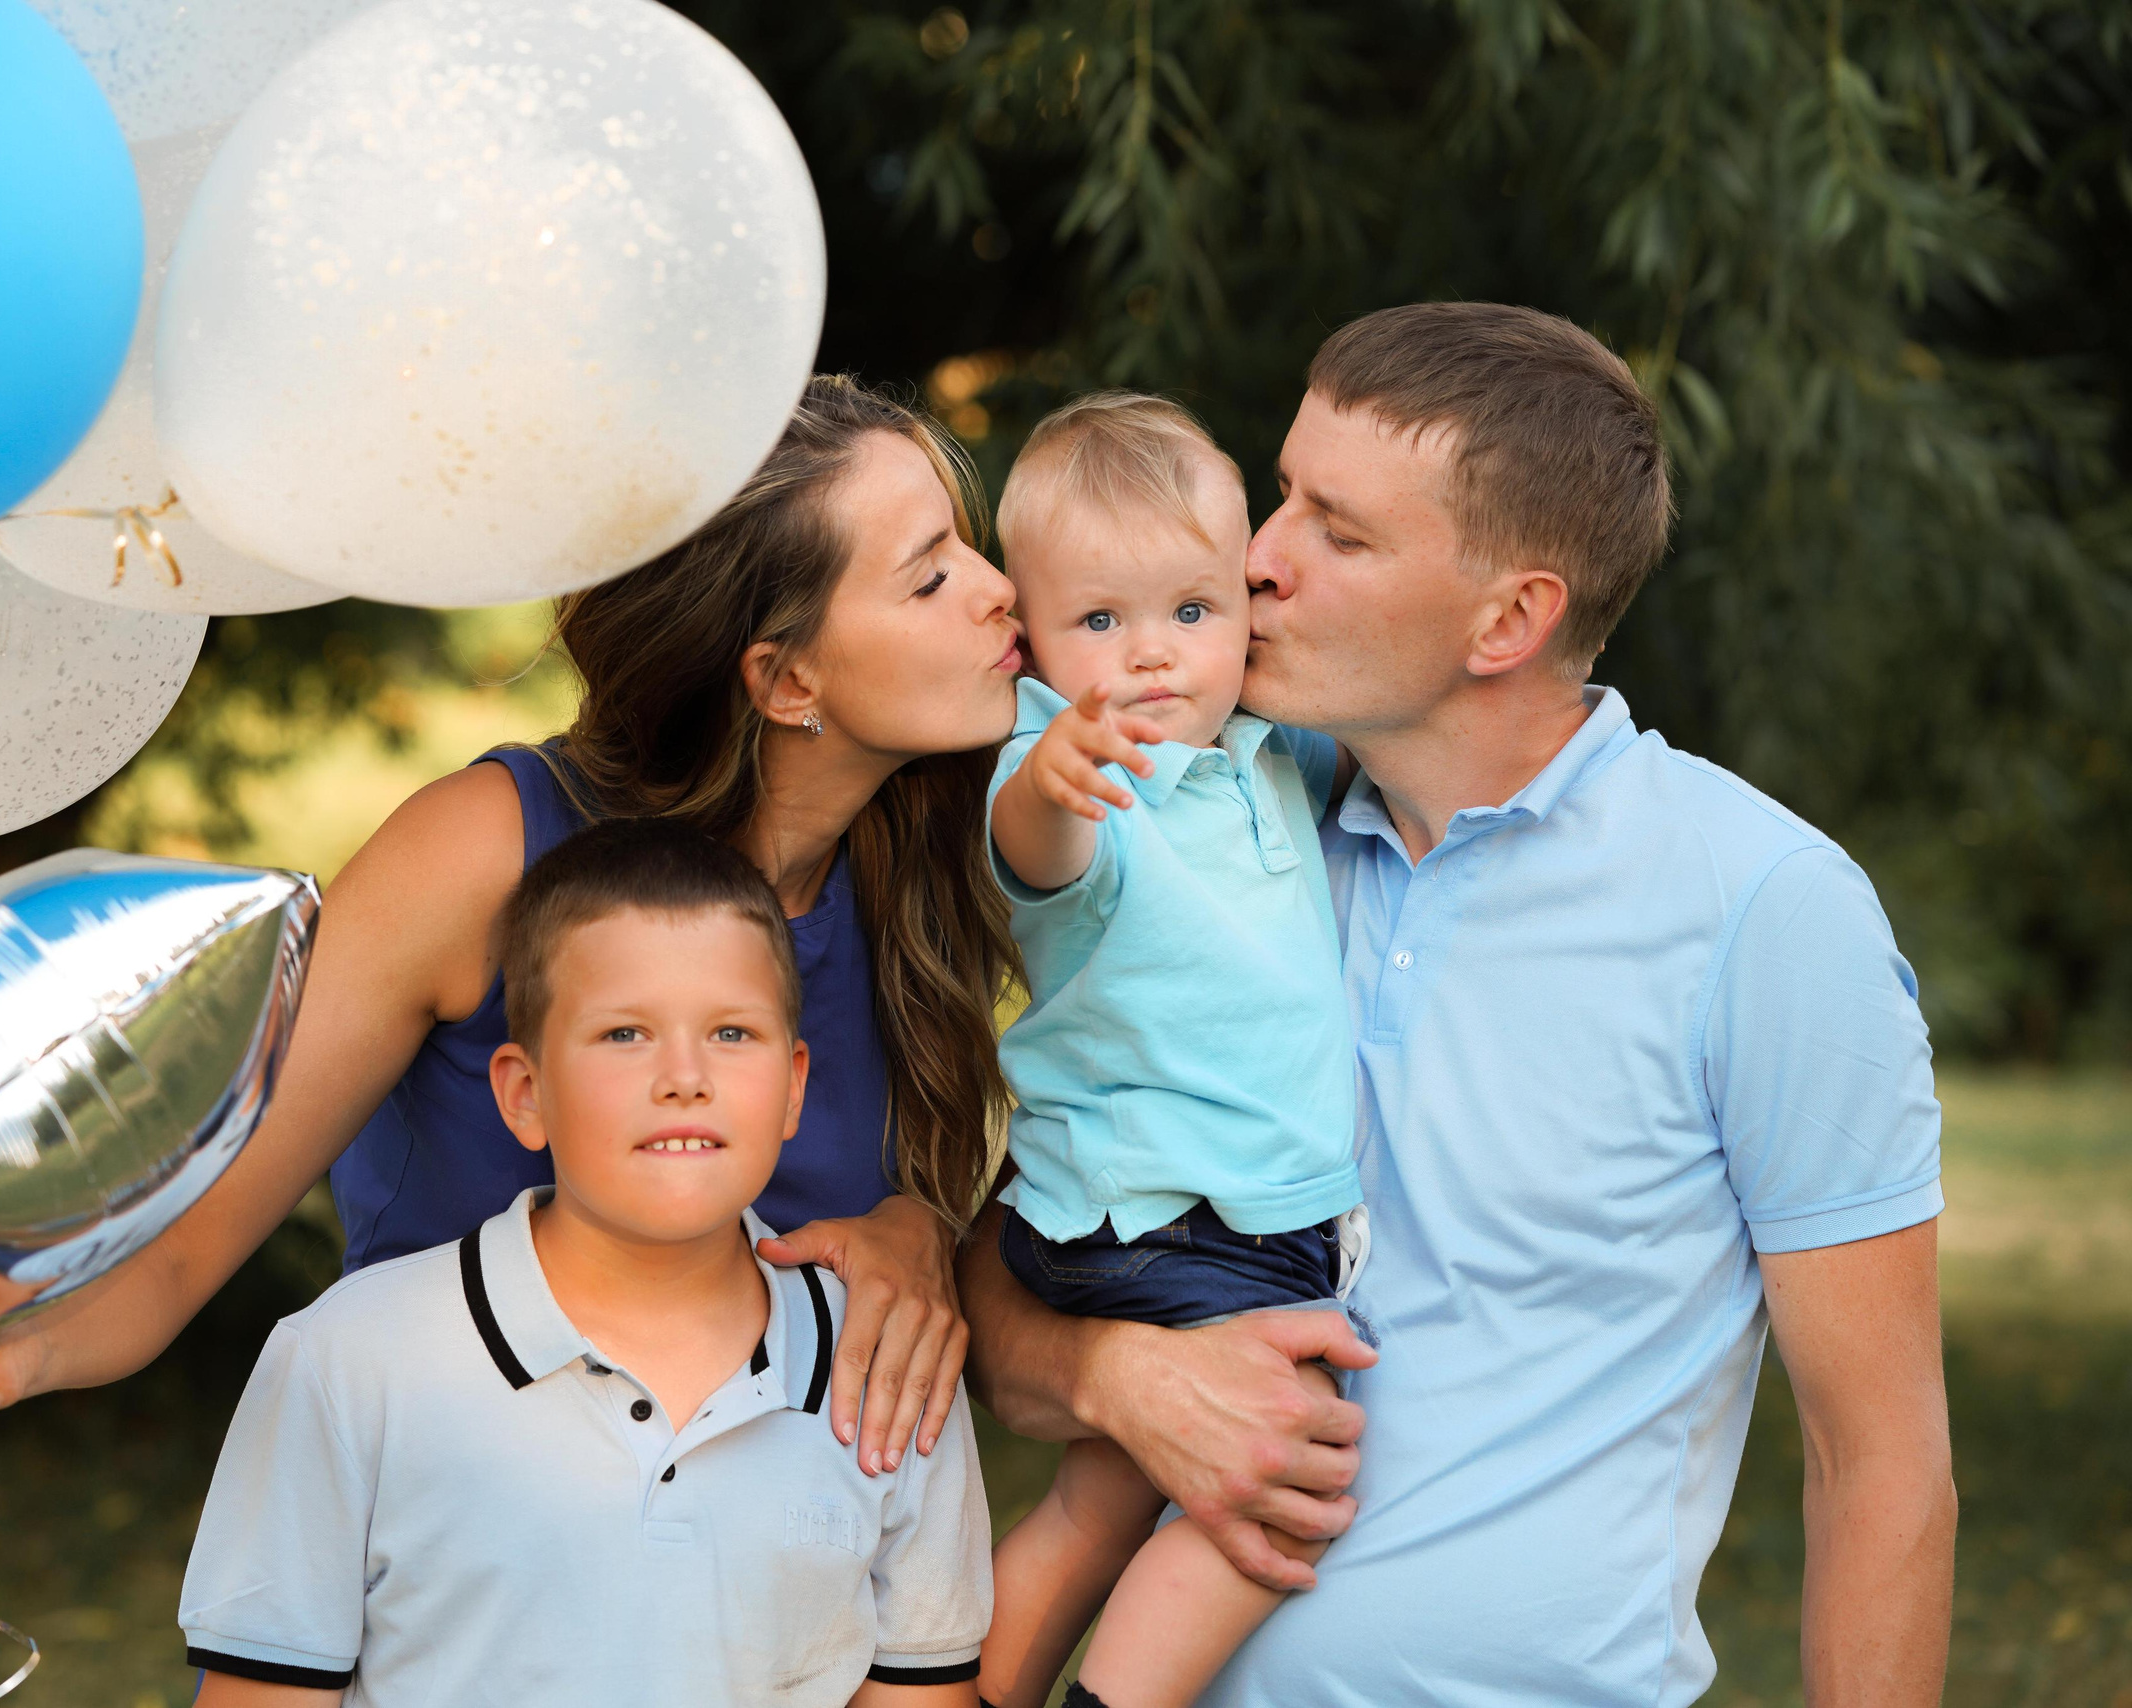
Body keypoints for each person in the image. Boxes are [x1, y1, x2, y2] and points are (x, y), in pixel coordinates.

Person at [963, 303, 1955, 1707]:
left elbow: (1884, 1463)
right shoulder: (1232, 830)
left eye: (1338, 532)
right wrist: (1123, 1382)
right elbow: (1009, 1305)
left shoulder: (1763, 910)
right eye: (1284, 495)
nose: (1258, 561)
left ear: (1510, 619)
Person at [0, 376, 1032, 1488]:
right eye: (928, 577)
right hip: (453, 1544)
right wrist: (21, 1349)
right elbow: (198, 1229)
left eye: (965, 550)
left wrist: (915, 1224)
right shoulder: (486, 853)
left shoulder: (933, 855)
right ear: (786, 683)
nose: (997, 590)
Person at [180, 820, 991, 1708]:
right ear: (525, 1095)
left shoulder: (889, 1366)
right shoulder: (347, 1363)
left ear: (794, 1087)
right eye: (623, 1034)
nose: (684, 1076)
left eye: (730, 1033)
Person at [970, 395, 1369, 1708]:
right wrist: (1055, 776)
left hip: (1200, 1206)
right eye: (1099, 622)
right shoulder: (1078, 770)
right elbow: (1039, 859)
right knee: (1282, 1483)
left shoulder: (1261, 755)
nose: (1151, 656)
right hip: (1172, 1208)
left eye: (1191, 613)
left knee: (1101, 1504)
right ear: (1029, 634)